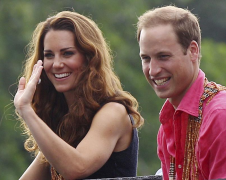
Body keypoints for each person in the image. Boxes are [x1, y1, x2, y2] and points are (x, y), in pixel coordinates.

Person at [14, 11, 144, 180]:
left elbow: (77, 168)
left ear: (90, 58)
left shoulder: (113, 112)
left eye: (67, 53)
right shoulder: (65, 123)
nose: (57, 64)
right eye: (49, 55)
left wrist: (26, 110)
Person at [136, 5, 226, 180]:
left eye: (163, 56)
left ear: (193, 51)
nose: (153, 70)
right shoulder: (169, 122)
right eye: (146, 58)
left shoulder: (224, 116)